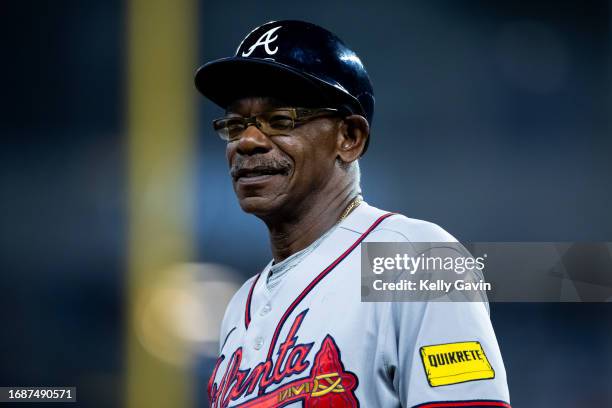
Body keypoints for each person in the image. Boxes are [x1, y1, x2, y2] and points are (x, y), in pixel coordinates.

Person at [195, 20, 510, 408]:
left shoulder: (418, 260)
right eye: (235, 124)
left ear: (349, 138)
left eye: (280, 121)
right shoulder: (239, 306)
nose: (247, 141)